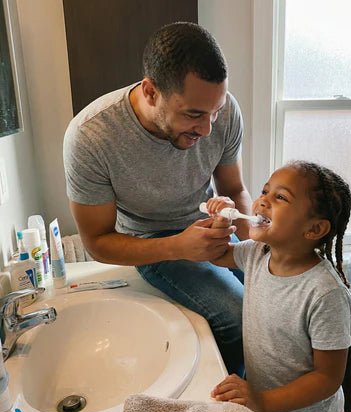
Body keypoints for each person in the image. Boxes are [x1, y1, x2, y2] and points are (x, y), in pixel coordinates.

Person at [63, 22, 253, 376]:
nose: (207, 128)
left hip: (211, 226)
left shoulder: (224, 112)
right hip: (150, 241)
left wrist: (255, 248)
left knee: (274, 303)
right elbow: (97, 242)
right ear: (150, 91)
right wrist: (178, 246)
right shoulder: (91, 137)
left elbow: (235, 188)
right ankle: (233, 401)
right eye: (194, 115)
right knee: (239, 316)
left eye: (215, 111)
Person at [207, 160, 351, 412]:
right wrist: (222, 221)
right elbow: (215, 254)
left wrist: (262, 401)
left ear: (314, 229)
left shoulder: (325, 293)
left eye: (281, 197)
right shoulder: (257, 253)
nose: (263, 201)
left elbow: (327, 378)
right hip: (266, 411)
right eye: (265, 191)